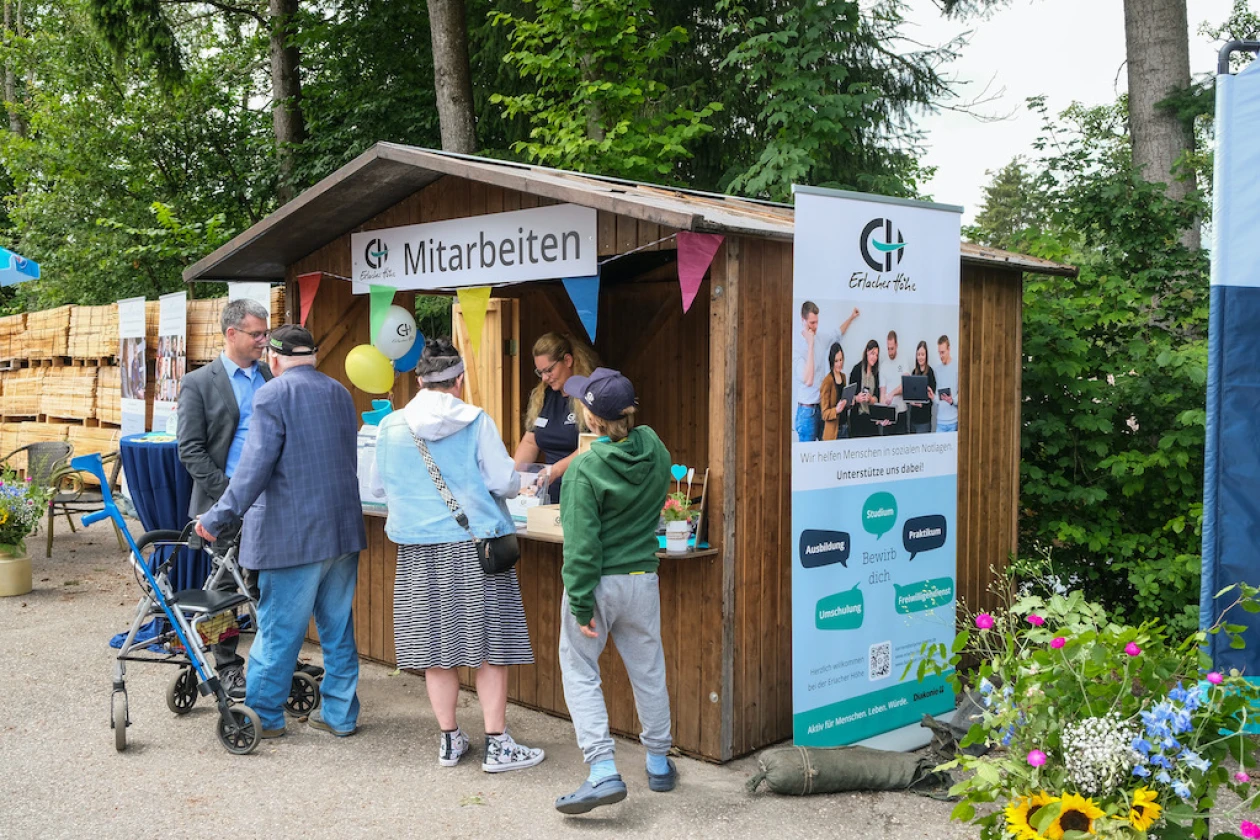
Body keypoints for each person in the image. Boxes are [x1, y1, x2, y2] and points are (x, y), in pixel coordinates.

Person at [370, 338, 545, 773]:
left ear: (419, 380)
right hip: (476, 548)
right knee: (490, 646)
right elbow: (505, 482)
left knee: (435, 648)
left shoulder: (392, 425)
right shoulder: (476, 421)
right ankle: (498, 745)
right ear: (460, 380)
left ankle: (450, 740)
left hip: (417, 552)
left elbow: (378, 487)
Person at [195, 324, 366, 740]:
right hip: (342, 529)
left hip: (293, 536)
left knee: (277, 631)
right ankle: (340, 715)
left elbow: (254, 469)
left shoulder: (271, 394)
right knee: (338, 629)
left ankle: (266, 718)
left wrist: (216, 518)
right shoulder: (340, 392)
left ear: (274, 359)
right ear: (313, 356)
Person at [554, 368, 674, 815]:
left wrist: (581, 601)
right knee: (649, 670)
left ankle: (603, 770)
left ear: (593, 420)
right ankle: (659, 764)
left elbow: (581, 546)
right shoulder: (656, 447)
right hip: (643, 578)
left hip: (599, 582)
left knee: (581, 669)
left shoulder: (585, 467)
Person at [176, 298, 273, 698]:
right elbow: (191, 450)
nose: (264, 342)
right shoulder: (198, 383)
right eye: (257, 334)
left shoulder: (270, 374)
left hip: (272, 503)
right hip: (224, 505)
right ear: (231, 333)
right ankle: (228, 664)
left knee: (269, 586)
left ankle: (272, 659)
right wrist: (231, 496)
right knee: (223, 594)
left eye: (266, 333)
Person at [512, 332, 600, 501]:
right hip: (548, 491)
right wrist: (513, 478)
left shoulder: (589, 395)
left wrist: (557, 470)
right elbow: (530, 441)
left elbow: (595, 443)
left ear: (567, 361)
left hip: (583, 489)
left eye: (549, 370)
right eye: (540, 372)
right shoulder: (542, 396)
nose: (545, 378)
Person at [793, 302, 859, 442]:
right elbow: (808, 379)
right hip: (807, 412)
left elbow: (837, 333)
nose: (815, 327)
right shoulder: (797, 346)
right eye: (811, 323)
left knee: (825, 454)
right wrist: (810, 344)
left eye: (817, 322)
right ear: (802, 320)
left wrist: (851, 317)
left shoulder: (820, 338)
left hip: (823, 409)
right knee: (808, 457)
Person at [848, 340, 882, 438]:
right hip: (857, 418)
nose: (875, 357)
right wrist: (857, 398)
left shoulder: (876, 374)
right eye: (872, 354)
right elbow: (848, 397)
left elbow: (878, 397)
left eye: (876, 355)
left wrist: (871, 399)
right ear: (867, 351)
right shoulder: (856, 370)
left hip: (871, 419)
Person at [819, 343, 850, 441]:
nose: (839, 363)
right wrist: (836, 410)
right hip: (833, 432)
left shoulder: (843, 377)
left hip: (845, 427)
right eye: (836, 361)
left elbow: (843, 400)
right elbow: (824, 414)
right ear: (832, 361)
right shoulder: (827, 381)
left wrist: (849, 402)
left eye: (841, 360)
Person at [908, 340, 937, 434]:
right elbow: (909, 393)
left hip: (924, 420)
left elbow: (932, 396)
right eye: (918, 354)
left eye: (922, 354)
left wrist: (922, 404)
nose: (920, 357)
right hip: (913, 419)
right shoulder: (914, 372)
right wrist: (911, 402)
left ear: (926, 356)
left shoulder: (930, 372)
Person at [883, 330, 908, 435]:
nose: (890, 352)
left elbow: (906, 384)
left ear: (897, 345)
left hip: (902, 412)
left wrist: (892, 393)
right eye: (888, 349)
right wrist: (882, 416)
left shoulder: (903, 361)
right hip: (888, 414)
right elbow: (882, 393)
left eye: (892, 349)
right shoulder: (883, 365)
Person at [935, 335, 960, 433]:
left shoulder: (957, 367)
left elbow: (961, 392)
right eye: (939, 353)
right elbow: (938, 398)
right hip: (940, 421)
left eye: (943, 352)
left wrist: (952, 400)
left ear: (949, 349)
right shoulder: (938, 370)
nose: (941, 356)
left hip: (953, 420)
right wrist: (933, 397)